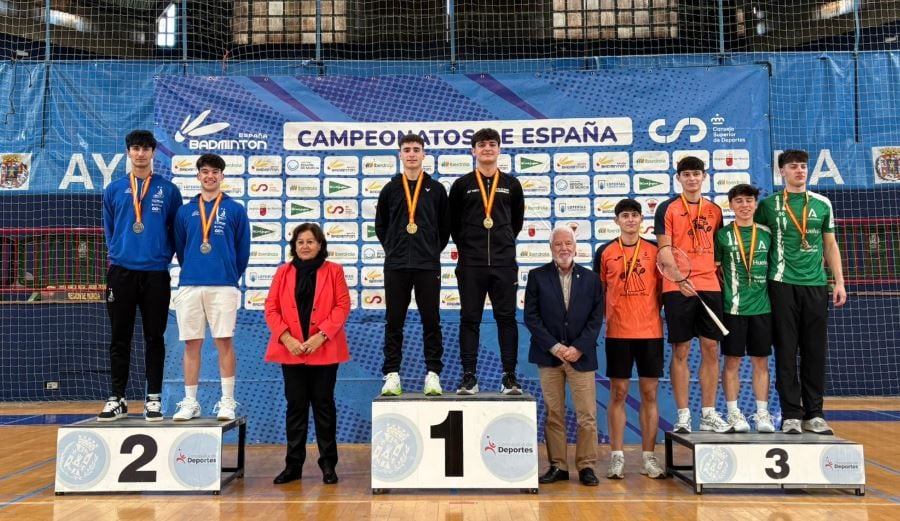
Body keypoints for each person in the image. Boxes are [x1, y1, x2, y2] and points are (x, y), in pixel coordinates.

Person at [755, 150, 847, 434]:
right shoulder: (768, 206)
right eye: (793, 167)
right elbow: (759, 246)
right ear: (782, 171)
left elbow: (830, 245)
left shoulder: (822, 204)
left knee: (814, 351)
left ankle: (815, 413)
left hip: (816, 286)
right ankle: (791, 414)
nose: (799, 171)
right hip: (781, 284)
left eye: (803, 167)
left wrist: (839, 282)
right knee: (785, 351)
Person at [99, 129, 182, 421]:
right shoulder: (114, 189)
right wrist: (120, 253)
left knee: (154, 338)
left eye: (146, 148)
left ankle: (153, 399)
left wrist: (161, 256)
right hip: (122, 273)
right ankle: (117, 398)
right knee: (119, 338)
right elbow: (110, 228)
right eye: (136, 148)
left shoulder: (168, 191)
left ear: (153, 153)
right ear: (128, 152)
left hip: (156, 274)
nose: (141, 153)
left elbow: (176, 231)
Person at [264, 223, 351, 484]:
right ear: (294, 246)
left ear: (320, 245)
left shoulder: (334, 271)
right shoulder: (283, 272)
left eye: (310, 241)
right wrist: (286, 338)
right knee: (296, 408)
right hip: (291, 351)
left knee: (324, 407)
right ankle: (293, 467)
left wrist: (320, 336)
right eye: (300, 242)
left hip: (323, 350)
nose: (305, 246)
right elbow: (271, 308)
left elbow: (342, 305)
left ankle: (328, 465)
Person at [654, 156, 731, 433]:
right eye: (686, 174)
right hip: (678, 287)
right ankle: (684, 415)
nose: (691, 179)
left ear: (704, 176)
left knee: (711, 348)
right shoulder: (668, 208)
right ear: (679, 178)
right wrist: (679, 277)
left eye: (696, 174)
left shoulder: (714, 210)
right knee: (681, 350)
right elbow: (664, 250)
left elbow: (717, 249)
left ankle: (709, 413)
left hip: (709, 284)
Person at [171, 153, 250, 421]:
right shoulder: (185, 211)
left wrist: (228, 274)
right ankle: (190, 402)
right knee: (191, 345)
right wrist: (195, 268)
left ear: (222, 176)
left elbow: (242, 251)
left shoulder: (235, 209)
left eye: (215, 172)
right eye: (205, 171)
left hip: (223, 285)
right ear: (198, 176)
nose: (210, 176)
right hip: (191, 284)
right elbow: (181, 249)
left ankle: (227, 401)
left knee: (224, 342)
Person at [525, 226, 604, 487]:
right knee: (554, 414)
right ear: (550, 248)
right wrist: (556, 347)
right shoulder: (537, 277)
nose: (563, 248)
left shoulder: (592, 279)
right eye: (558, 244)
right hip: (550, 357)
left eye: (568, 243)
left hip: (581, 357)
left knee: (587, 416)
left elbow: (595, 319)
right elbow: (531, 318)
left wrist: (578, 347)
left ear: (575, 246)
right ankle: (557, 466)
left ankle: (586, 466)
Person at [449, 128, 525, 395]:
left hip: (504, 263)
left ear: (499, 149)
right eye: (481, 145)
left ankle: (509, 377)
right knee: (469, 319)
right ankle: (469, 377)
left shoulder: (512, 184)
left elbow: (515, 223)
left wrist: (502, 246)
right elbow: (453, 225)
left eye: (492, 144)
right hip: (471, 264)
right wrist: (471, 248)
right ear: (474, 150)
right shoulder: (461, 185)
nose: (487, 149)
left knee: (506, 319)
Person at [593, 199, 666, 479]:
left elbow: (663, 292)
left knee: (649, 394)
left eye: (635, 216)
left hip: (650, 332)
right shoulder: (605, 252)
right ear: (616, 221)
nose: (630, 220)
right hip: (618, 333)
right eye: (625, 216)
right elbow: (598, 293)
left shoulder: (655, 250)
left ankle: (649, 457)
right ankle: (617, 456)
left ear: (641, 220)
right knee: (618, 393)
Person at [376, 133, 450, 396]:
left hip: (427, 266)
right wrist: (395, 249)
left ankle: (433, 374)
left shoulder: (437, 189)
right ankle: (392, 374)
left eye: (416, 149)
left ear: (424, 154)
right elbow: (381, 226)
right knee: (394, 322)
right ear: (399, 155)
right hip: (396, 265)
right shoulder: (390, 189)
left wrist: (430, 251)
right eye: (406, 149)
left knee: (431, 321)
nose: (411, 154)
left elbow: (445, 228)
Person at [715, 184, 776, 433]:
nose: (744, 205)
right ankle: (733, 413)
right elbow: (715, 271)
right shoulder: (722, 236)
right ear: (731, 205)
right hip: (733, 309)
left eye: (749, 200)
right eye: (738, 201)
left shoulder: (767, 233)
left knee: (760, 362)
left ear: (755, 204)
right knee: (732, 362)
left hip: (763, 308)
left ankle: (762, 414)